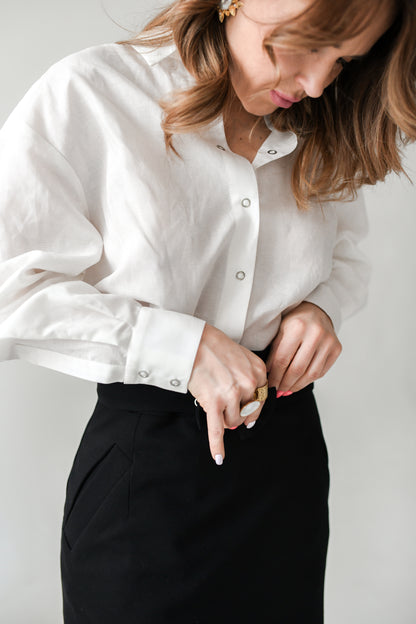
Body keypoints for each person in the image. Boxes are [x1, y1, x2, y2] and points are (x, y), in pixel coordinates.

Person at [0, 0, 415, 621]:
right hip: (147, 478)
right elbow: (11, 290)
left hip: (288, 466)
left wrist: (320, 309)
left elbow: (347, 257)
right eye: (304, 46)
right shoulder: (94, 94)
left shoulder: (319, 121)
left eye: (345, 61)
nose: (319, 83)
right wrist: (181, 347)